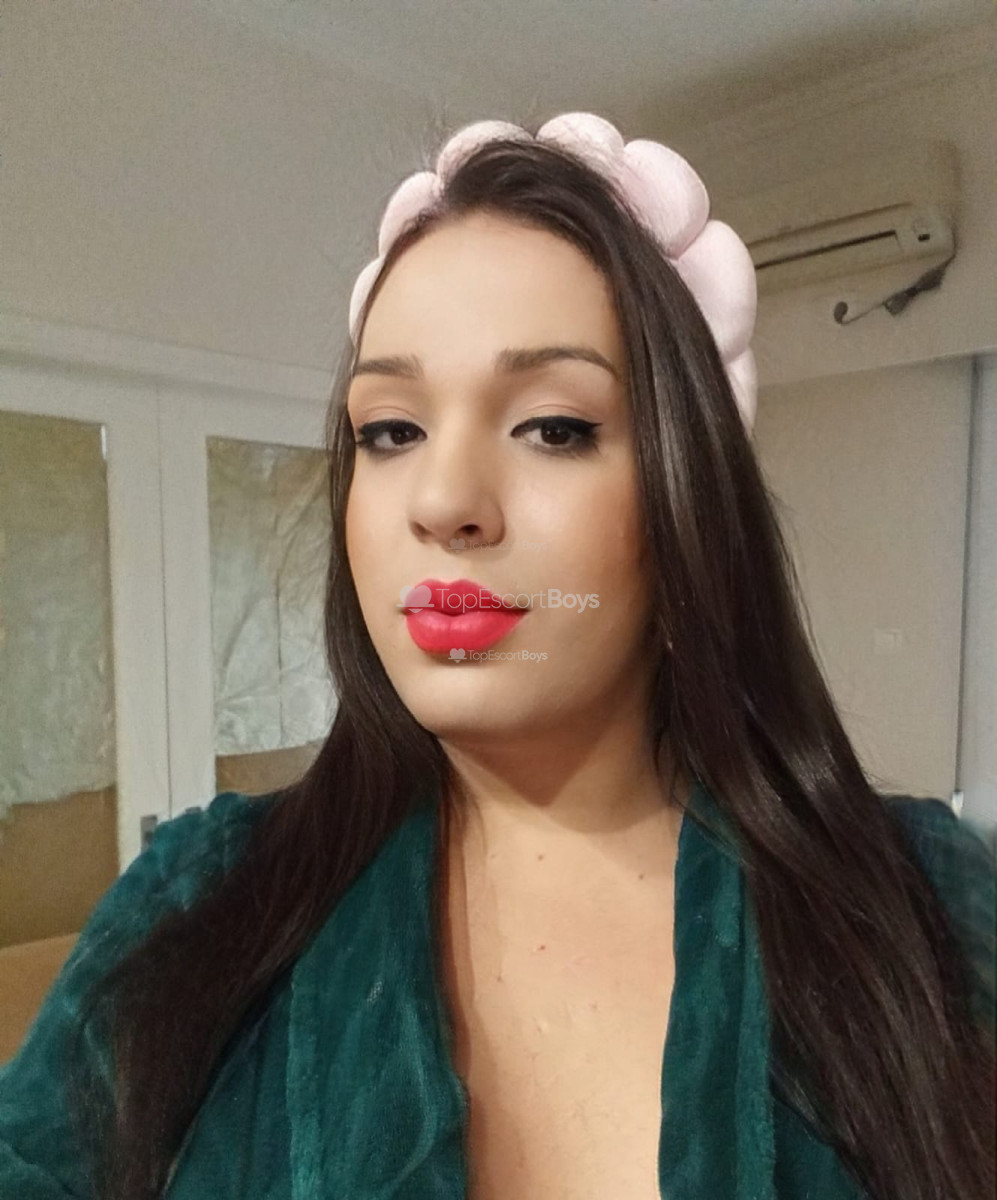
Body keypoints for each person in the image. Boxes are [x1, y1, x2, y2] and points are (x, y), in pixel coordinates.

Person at [0, 111, 994, 1200]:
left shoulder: (922, 908)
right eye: (391, 431)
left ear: (686, 504)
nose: (442, 501)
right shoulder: (197, 900)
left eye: (552, 427)